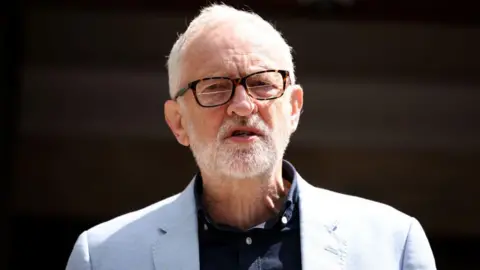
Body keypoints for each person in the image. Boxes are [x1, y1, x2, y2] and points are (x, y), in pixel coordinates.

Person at [66, 4, 436, 270]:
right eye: (213, 87)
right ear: (177, 121)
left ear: (293, 107)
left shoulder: (392, 245)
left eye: (262, 84)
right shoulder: (104, 256)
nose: (242, 106)